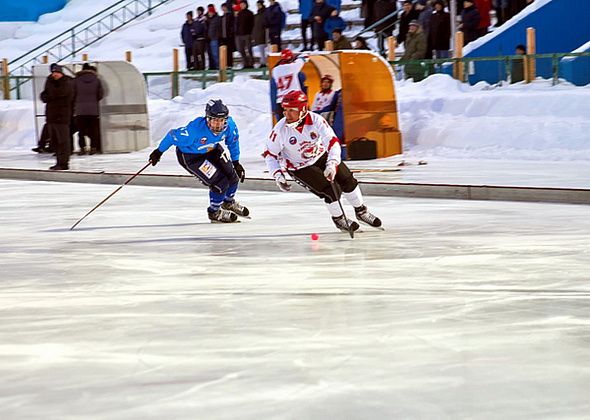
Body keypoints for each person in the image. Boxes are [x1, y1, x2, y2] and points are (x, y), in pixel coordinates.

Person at [263, 90, 382, 232]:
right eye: (285, 110)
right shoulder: (280, 130)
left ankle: (361, 211)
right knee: (331, 190)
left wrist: (332, 163)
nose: (286, 114)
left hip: (320, 156)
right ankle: (339, 219)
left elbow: (332, 142)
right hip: (299, 167)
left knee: (347, 179)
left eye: (291, 110)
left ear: (302, 110)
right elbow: (270, 154)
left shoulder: (316, 120)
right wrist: (277, 175)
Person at [148, 100, 248, 223]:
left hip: (212, 149)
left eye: (221, 121)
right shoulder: (193, 131)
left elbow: (233, 142)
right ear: (207, 119)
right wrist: (158, 152)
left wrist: (236, 162)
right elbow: (172, 136)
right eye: (215, 120)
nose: (218, 125)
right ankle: (214, 212)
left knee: (233, 176)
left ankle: (228, 202)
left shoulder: (230, 126)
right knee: (220, 183)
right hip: (191, 156)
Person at [40, 63, 74, 170]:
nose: (55, 75)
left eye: (57, 73)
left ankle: (64, 163)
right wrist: (49, 94)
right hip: (51, 116)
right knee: (54, 141)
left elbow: (59, 93)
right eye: (53, 73)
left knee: (63, 141)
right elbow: (44, 96)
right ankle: (59, 161)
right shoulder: (50, 82)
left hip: (62, 116)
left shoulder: (67, 82)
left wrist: (50, 93)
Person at [73, 63, 104, 155]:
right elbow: (100, 94)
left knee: (81, 131)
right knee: (94, 130)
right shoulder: (97, 80)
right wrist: (94, 101)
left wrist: (77, 102)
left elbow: (72, 93)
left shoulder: (76, 80)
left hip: (80, 110)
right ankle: (93, 147)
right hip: (93, 110)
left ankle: (82, 148)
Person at [270, 48, 308, 121]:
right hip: (294, 100)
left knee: (284, 128)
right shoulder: (293, 66)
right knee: (302, 125)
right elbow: (305, 57)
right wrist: (298, 57)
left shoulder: (275, 70)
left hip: (280, 102)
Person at [235, 0, 255, 68]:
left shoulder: (250, 13)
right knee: (241, 49)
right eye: (241, 4)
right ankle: (245, 63)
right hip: (239, 34)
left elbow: (252, 24)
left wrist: (250, 32)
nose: (242, 5)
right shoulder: (239, 14)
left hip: (247, 34)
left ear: (246, 4)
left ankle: (251, 63)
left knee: (249, 49)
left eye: (243, 4)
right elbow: (237, 24)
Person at [252, 1, 268, 67]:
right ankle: (263, 61)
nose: (258, 6)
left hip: (263, 33)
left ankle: (264, 62)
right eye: (257, 5)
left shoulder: (265, 13)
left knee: (264, 49)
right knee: (261, 50)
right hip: (258, 34)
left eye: (259, 5)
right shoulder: (257, 15)